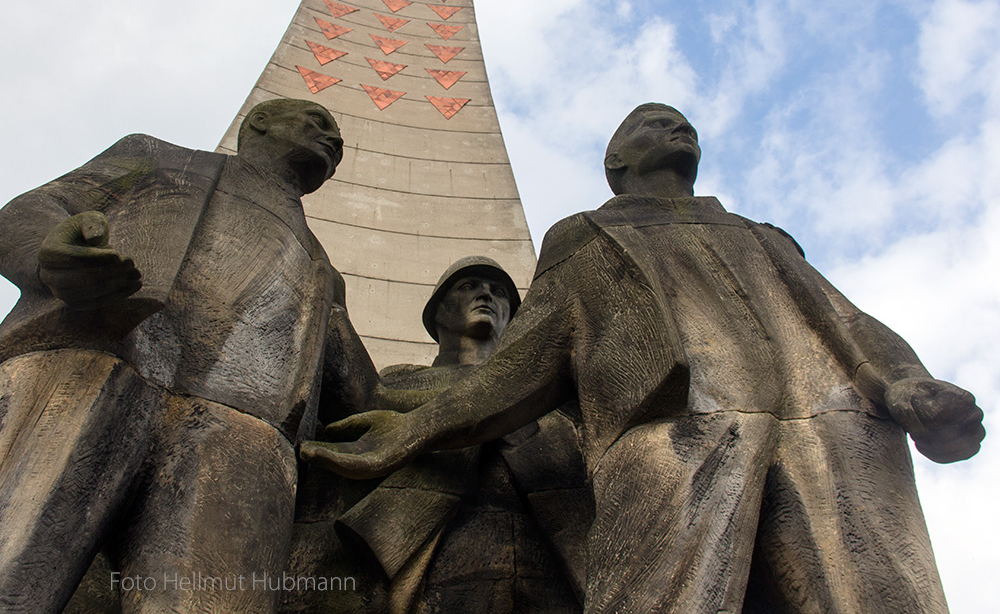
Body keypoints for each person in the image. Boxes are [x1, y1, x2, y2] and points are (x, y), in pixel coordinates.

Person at [302, 104, 986, 613]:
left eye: (681, 121)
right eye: (654, 122)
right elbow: (524, 366)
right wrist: (415, 428)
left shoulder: (763, 237)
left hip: (829, 440)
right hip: (675, 443)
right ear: (617, 163)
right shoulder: (583, 236)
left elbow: (846, 322)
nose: (676, 127)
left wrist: (906, 382)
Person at [0, 98, 356, 613]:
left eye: (338, 137)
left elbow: (364, 396)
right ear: (260, 123)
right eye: (319, 123)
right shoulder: (158, 159)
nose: (335, 141)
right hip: (101, 366)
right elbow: (31, 211)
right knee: (16, 563)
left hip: (245, 444)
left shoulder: (326, 275)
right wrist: (49, 256)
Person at [327, 256, 587, 613]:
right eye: (469, 287)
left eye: (498, 293)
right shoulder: (399, 381)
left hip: (554, 551)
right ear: (438, 313)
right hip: (446, 549)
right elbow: (358, 402)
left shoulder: (550, 394)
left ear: (513, 319)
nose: (486, 295)